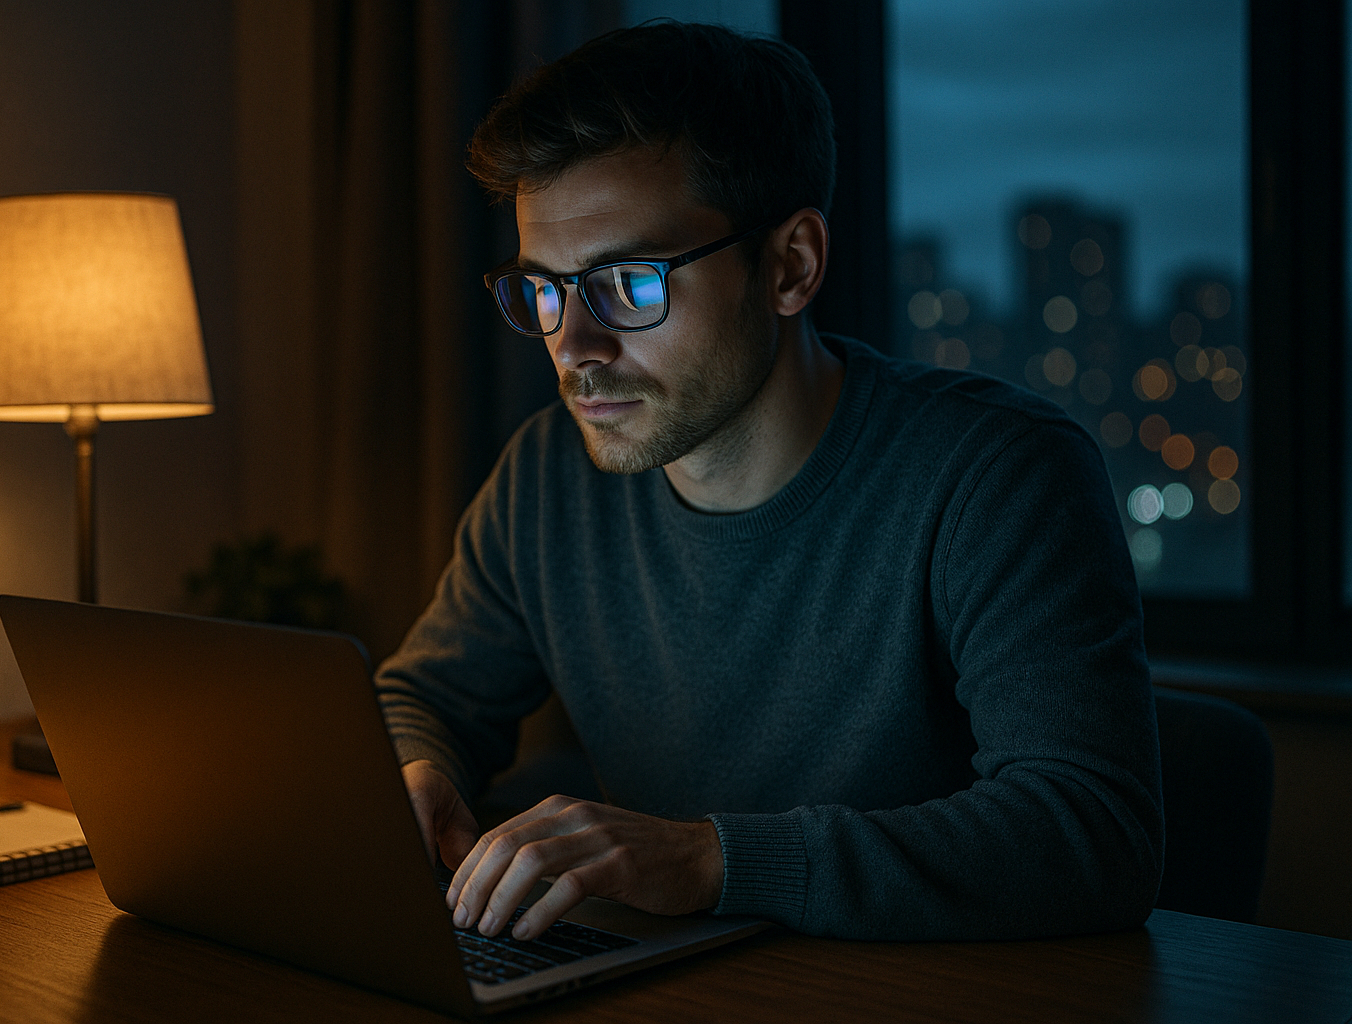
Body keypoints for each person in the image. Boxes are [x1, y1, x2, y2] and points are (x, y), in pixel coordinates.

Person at [376, 21, 1162, 943]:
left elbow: (1094, 834)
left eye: (627, 283)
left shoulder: (996, 473)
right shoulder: (547, 476)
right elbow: (425, 697)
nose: (574, 349)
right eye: (544, 291)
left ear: (790, 266)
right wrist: (416, 773)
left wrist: (710, 860)